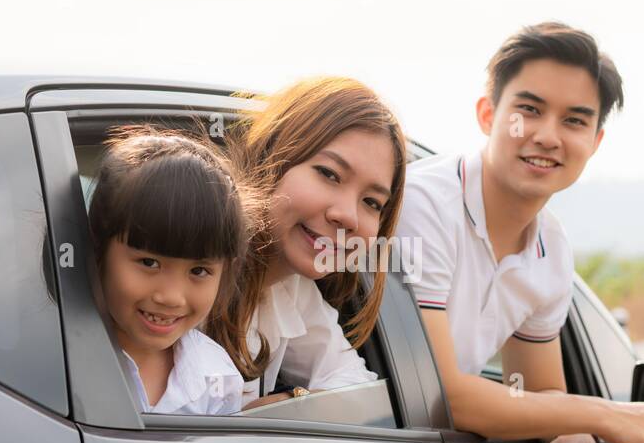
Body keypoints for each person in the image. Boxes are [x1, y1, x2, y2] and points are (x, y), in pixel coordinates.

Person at [394, 22, 644, 443]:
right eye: (528, 111)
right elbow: (445, 397)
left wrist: (573, 435)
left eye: (574, 121)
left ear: (595, 140)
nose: (547, 136)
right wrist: (605, 416)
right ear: (487, 114)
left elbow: (540, 390)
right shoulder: (424, 205)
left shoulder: (553, 249)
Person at [226, 76, 408, 408]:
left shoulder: (291, 290)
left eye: (371, 202)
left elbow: (359, 392)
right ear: (272, 158)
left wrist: (290, 401)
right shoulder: (190, 272)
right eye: (329, 174)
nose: (348, 217)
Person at [87, 124, 260, 415]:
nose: (171, 297)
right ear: (98, 249)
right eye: (149, 263)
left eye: (199, 271)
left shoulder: (216, 377)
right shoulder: (64, 358)